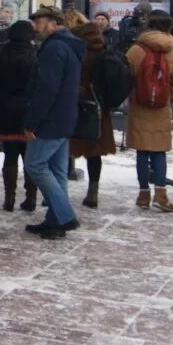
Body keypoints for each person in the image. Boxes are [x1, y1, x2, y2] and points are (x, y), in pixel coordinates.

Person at [22, 5, 83, 240]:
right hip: (64, 117)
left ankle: (65, 215)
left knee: (36, 165)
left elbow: (46, 89)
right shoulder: (69, 46)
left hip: (50, 119)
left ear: (55, 24)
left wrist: (32, 122)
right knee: (57, 170)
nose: (35, 26)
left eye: (40, 22)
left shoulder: (54, 48)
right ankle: (55, 220)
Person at [126, 11, 173, 212]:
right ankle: (161, 195)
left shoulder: (137, 49)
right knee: (159, 152)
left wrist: (137, 92)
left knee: (143, 153)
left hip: (139, 107)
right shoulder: (170, 51)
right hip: (161, 109)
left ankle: (143, 195)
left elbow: (124, 74)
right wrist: (165, 95)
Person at [0, 20, 37, 212]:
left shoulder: (1, 53)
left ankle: (9, 197)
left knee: (9, 155)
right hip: (27, 108)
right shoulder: (35, 54)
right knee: (29, 157)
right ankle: (30, 197)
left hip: (5, 108)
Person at [69, 22, 117, 209]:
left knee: (66, 148)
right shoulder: (105, 50)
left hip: (76, 103)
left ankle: (57, 192)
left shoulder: (78, 50)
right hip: (99, 108)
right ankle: (93, 192)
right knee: (94, 152)